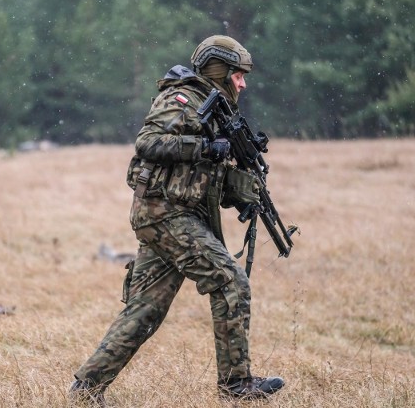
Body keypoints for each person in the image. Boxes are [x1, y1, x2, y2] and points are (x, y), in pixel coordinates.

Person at [69, 35, 285, 406]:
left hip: (174, 214)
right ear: (221, 71)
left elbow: (203, 175)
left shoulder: (217, 110)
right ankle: (236, 386)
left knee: (145, 310)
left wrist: (239, 192)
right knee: (229, 281)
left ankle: (85, 389)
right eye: (238, 75)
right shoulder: (182, 98)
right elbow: (148, 142)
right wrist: (204, 147)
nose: (243, 83)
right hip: (165, 213)